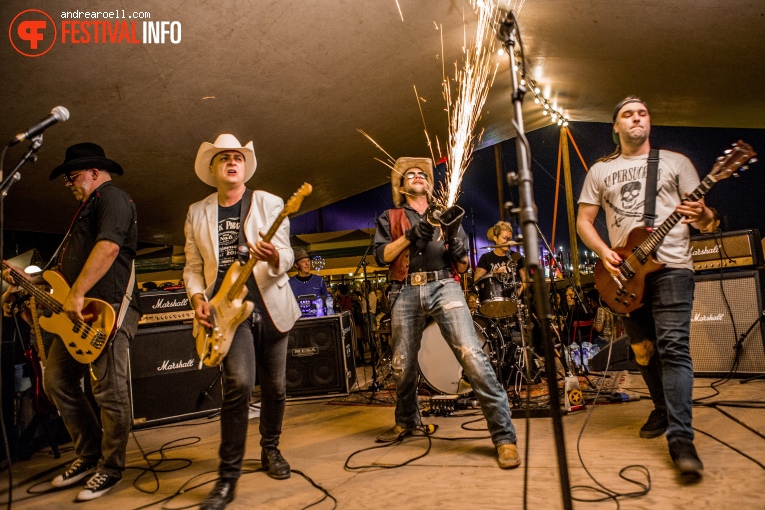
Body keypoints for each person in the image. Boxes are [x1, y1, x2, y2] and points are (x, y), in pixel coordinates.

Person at [577, 97, 714, 479]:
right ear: (616, 127)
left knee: (673, 347)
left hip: (672, 267)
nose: (637, 118)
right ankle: (661, 407)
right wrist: (604, 252)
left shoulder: (676, 163)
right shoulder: (601, 170)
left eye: (643, 113)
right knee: (642, 351)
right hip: (626, 273)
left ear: (648, 123)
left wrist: (702, 214)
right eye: (627, 114)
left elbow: (705, 220)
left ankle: (681, 438)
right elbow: (584, 221)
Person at [1, 143, 141, 501]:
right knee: (57, 381)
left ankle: (111, 468)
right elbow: (62, 275)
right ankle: (90, 454)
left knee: (108, 390)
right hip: (75, 312)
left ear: (95, 172)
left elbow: (109, 248)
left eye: (72, 176)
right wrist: (28, 283)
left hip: (106, 308)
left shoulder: (113, 197)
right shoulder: (83, 210)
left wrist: (77, 293)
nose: (68, 183)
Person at [373, 156, 520, 469]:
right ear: (401, 185)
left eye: (421, 174)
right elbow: (382, 255)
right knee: (401, 365)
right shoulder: (391, 216)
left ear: (428, 183)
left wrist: (452, 235)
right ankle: (408, 420)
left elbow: (464, 265)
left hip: (445, 286)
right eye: (409, 174)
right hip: (406, 288)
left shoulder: (446, 214)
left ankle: (504, 437)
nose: (416, 176)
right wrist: (413, 234)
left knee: (473, 356)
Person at [183, 134, 301, 510]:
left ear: (244, 166)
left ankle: (271, 449)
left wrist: (272, 256)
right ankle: (227, 477)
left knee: (277, 387)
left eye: (237, 157)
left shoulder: (270, 202)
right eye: (224, 159)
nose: (232, 163)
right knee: (239, 383)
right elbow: (193, 267)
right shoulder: (197, 211)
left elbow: (286, 251)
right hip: (227, 313)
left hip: (270, 306)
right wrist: (198, 298)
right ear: (213, 169)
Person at [474, 221, 527, 293]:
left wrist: (518, 294)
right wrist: (493, 273)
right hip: (494, 298)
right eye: (504, 238)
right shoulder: (486, 258)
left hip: (516, 300)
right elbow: (477, 281)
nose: (507, 242)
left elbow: (526, 280)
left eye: (509, 239)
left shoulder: (517, 257)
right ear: (495, 238)